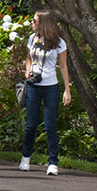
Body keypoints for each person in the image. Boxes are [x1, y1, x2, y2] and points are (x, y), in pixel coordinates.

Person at [19, 10, 71, 176]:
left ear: (43, 23)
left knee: (50, 125)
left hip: (51, 87)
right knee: (31, 124)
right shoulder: (32, 39)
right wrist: (27, 71)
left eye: (34, 21)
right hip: (33, 86)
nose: (32, 23)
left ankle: (53, 162)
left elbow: (63, 66)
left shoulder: (59, 43)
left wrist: (67, 90)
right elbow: (28, 58)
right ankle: (25, 157)